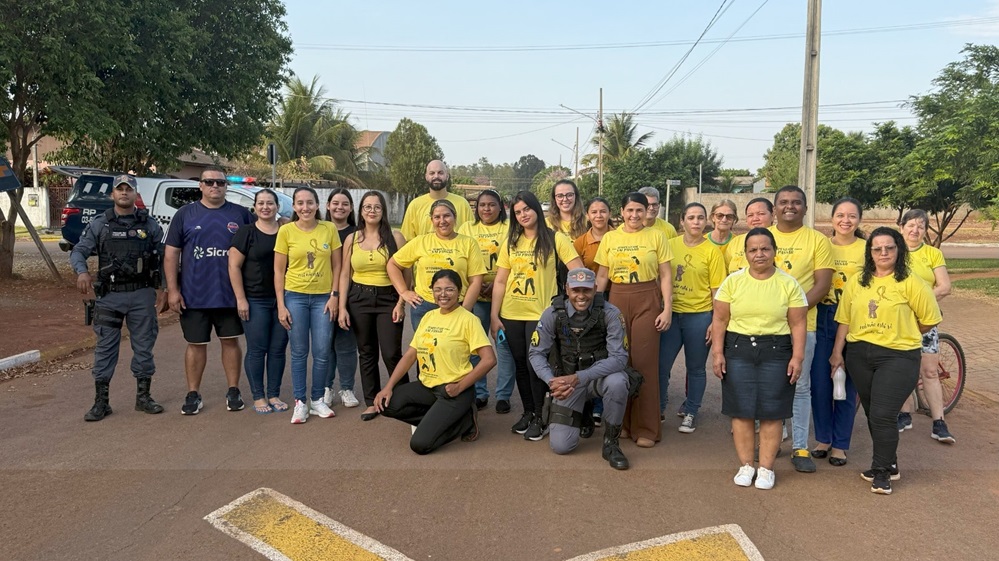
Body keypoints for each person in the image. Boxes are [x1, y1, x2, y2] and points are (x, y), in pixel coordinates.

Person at [830, 227, 942, 495]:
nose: (883, 253)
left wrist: (902, 331)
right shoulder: (858, 281)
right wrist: (837, 353)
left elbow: (929, 319)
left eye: (889, 247)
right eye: (877, 248)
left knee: (883, 413)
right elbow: (844, 319)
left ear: (898, 250)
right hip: (859, 354)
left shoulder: (911, 282)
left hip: (898, 356)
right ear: (869, 252)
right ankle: (890, 463)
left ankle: (881, 472)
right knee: (873, 412)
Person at [712, 228, 807, 490]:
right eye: (753, 250)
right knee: (741, 411)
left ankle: (766, 469)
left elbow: (798, 323)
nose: (759, 254)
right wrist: (718, 353)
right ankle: (746, 465)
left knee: (771, 412)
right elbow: (720, 319)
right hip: (738, 348)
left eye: (765, 248)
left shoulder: (788, 283)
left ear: (774, 251)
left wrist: (797, 357)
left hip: (776, 350)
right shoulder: (733, 281)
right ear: (745, 254)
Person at [71, 175, 166, 421]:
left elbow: (166, 257)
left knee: (144, 347)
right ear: (112, 195)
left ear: (136, 195)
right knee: (105, 349)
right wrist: (82, 272)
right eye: (119, 189)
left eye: (129, 189)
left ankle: (143, 398)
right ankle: (101, 403)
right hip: (110, 296)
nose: (124, 193)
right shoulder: (100, 224)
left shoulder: (150, 225)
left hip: (141, 294)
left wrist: (165, 289)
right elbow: (79, 251)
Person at [491, 191, 583, 441]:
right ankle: (529, 412)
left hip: (540, 314)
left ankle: (542, 417)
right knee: (520, 365)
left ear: (536, 210)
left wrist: (567, 303)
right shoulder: (511, 242)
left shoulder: (556, 239)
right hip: (511, 313)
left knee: (536, 368)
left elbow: (579, 272)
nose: (523, 215)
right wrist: (494, 315)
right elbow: (500, 280)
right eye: (518, 212)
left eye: (527, 209)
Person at [375, 270, 497, 454]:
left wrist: (460, 386)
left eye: (449, 289)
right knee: (386, 404)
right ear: (431, 291)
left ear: (459, 291)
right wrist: (388, 387)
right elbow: (410, 355)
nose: (443, 294)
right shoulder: (429, 317)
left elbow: (489, 360)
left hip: (454, 391)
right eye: (438, 289)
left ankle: (465, 422)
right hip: (428, 387)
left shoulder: (468, 319)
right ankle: (447, 420)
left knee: (420, 445)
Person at [165, 168, 254, 415]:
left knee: (230, 342)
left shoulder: (241, 214)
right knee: (195, 344)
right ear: (201, 186)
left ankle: (233, 390)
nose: (215, 186)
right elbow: (171, 254)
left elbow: (258, 241)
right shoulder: (185, 214)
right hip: (194, 295)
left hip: (229, 295)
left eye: (220, 182)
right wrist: (173, 290)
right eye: (209, 182)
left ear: (226, 186)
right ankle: (193, 393)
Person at [529, 268, 631, 470]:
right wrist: (552, 381)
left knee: (618, 381)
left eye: (586, 290)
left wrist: (579, 377)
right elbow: (536, 353)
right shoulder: (552, 314)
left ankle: (611, 443)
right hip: (566, 381)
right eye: (576, 290)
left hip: (597, 379)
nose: (581, 296)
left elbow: (620, 358)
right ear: (567, 289)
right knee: (561, 446)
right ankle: (584, 415)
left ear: (595, 289)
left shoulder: (610, 314)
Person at [595, 192, 673, 448]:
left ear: (648, 211)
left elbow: (665, 275)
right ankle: (623, 424)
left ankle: (647, 428)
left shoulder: (657, 236)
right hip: (617, 297)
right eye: (630, 210)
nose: (635, 215)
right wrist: (595, 307)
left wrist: (667, 308)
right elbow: (603, 275)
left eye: (640, 210)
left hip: (647, 298)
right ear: (622, 212)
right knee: (619, 360)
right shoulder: (610, 237)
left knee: (644, 362)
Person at [769, 185, 833, 473]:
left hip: (803, 325)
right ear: (775, 208)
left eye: (796, 202)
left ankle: (800, 446)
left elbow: (822, 285)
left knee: (800, 385)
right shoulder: (762, 238)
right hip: (765, 324)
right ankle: (769, 443)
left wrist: (794, 311)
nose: (789, 206)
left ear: (806, 209)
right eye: (783, 202)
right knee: (768, 384)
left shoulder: (818, 241)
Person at [274, 187, 343, 424]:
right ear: (294, 207)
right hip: (295, 296)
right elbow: (278, 271)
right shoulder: (286, 231)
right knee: (299, 352)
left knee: (323, 351)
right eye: (300, 203)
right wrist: (281, 305)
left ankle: (317, 400)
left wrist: (335, 295)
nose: (305, 208)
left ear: (317, 205)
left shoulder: (329, 229)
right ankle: (300, 402)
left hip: (323, 298)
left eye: (310, 203)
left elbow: (338, 266)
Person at [338, 191, 408, 422]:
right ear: (360, 211)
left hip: (389, 299)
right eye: (367, 207)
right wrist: (342, 307)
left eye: (377, 207)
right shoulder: (352, 239)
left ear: (383, 211)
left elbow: (407, 273)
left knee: (391, 353)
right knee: (366, 352)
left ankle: (404, 399)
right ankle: (372, 401)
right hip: (359, 299)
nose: (372, 211)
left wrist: (401, 302)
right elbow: (345, 274)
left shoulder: (395, 237)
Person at [661, 202, 726, 434]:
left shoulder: (712, 252)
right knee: (662, 365)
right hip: (672, 315)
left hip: (699, 315)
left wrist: (714, 322)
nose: (696, 222)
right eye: (691, 217)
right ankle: (659, 406)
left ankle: (690, 411)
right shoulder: (669, 245)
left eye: (700, 218)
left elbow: (717, 292)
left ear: (706, 221)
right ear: (682, 221)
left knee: (696, 368)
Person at [810, 198, 864, 465]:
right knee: (820, 383)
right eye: (840, 215)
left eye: (851, 216)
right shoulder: (821, 246)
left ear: (859, 220)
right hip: (823, 316)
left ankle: (841, 444)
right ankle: (823, 438)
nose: (846, 220)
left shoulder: (867, 250)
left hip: (856, 321)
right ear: (831, 219)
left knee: (847, 382)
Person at [897, 209, 955, 443]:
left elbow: (944, 286)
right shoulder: (892, 252)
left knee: (929, 371)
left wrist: (920, 300)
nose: (915, 230)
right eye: (910, 225)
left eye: (921, 226)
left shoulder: (932, 254)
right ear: (901, 227)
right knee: (898, 368)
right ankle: (904, 412)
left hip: (923, 320)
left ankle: (938, 422)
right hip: (897, 320)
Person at [228, 189, 289, 414]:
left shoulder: (285, 230)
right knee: (257, 349)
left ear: (277, 206)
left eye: (270, 203)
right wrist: (241, 299)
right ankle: (258, 395)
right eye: (261, 203)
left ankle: (273, 393)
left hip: (282, 300)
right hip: (255, 299)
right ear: (254, 207)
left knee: (278, 349)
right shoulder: (247, 232)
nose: (265, 207)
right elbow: (233, 266)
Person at [457, 190, 516, 414]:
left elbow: (516, 260)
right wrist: (475, 283)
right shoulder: (466, 229)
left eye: (492, 205)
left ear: (501, 207)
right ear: (476, 208)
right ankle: (479, 392)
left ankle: (503, 395)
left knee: (503, 347)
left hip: (502, 297)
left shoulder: (510, 229)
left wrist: (497, 284)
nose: (487, 209)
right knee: (474, 347)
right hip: (474, 296)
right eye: (482, 205)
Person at [388, 199, 485, 331]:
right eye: (437, 217)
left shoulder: (469, 243)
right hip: (425, 306)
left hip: (458, 305)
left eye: (446, 216)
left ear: (454, 217)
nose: (442, 221)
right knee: (426, 349)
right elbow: (393, 264)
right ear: (431, 220)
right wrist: (404, 292)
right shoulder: (421, 241)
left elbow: (476, 281)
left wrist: (464, 311)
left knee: (458, 350)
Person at [323, 188, 359, 409]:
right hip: (322, 296)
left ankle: (347, 388)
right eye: (335, 203)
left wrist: (340, 297)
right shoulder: (320, 230)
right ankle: (325, 388)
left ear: (351, 208)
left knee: (346, 345)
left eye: (345, 203)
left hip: (351, 296)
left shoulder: (358, 233)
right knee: (325, 346)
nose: (340, 207)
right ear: (327, 206)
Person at [400, 160, 473, 241]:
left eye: (440, 173)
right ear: (426, 176)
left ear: (447, 176)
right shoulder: (415, 205)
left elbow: (472, 236)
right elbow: (407, 240)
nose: (436, 176)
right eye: (432, 173)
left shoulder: (462, 204)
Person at [727, 198, 774, 273]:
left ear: (772, 215)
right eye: (750, 215)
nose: (755, 218)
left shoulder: (780, 239)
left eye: (761, 214)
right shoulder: (736, 242)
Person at [573, 197, 612, 273]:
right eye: (594, 212)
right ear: (587, 216)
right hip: (590, 284)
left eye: (603, 211)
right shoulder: (580, 243)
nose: (599, 215)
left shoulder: (621, 238)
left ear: (610, 214)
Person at [706, 200, 738, 268]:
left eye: (729, 216)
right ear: (712, 217)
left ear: (734, 219)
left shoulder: (738, 243)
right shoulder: (702, 241)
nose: (724, 220)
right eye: (719, 215)